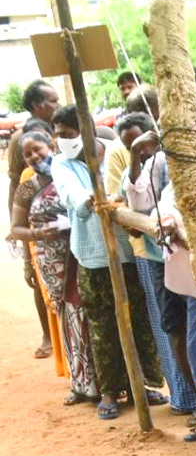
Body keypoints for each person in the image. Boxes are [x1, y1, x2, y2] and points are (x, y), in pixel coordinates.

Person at [50, 105, 164, 421]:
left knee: (136, 319)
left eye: (68, 134)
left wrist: (118, 202)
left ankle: (140, 383)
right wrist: (95, 200)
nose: (63, 140)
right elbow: (73, 195)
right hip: (91, 256)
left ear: (86, 128)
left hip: (127, 253)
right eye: (59, 135)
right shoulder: (62, 164)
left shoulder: (115, 150)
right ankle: (110, 390)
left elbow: (131, 184)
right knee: (101, 325)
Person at [115, 112, 196, 421]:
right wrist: (137, 156)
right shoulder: (155, 164)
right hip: (162, 259)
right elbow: (137, 201)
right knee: (175, 327)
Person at [9, 129, 98, 404]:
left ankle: (109, 381)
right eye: (28, 155)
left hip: (85, 250)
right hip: (54, 261)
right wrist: (38, 234)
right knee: (70, 318)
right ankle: (81, 384)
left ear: (51, 144)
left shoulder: (72, 173)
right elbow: (16, 229)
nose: (35, 157)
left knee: (95, 316)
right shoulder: (28, 188)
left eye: (39, 149)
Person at [11, 82, 60, 359]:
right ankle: (47, 335)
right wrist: (18, 227)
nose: (58, 104)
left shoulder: (59, 128)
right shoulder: (22, 139)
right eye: (52, 100)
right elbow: (16, 186)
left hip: (59, 225)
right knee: (40, 280)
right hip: (35, 221)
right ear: (38, 105)